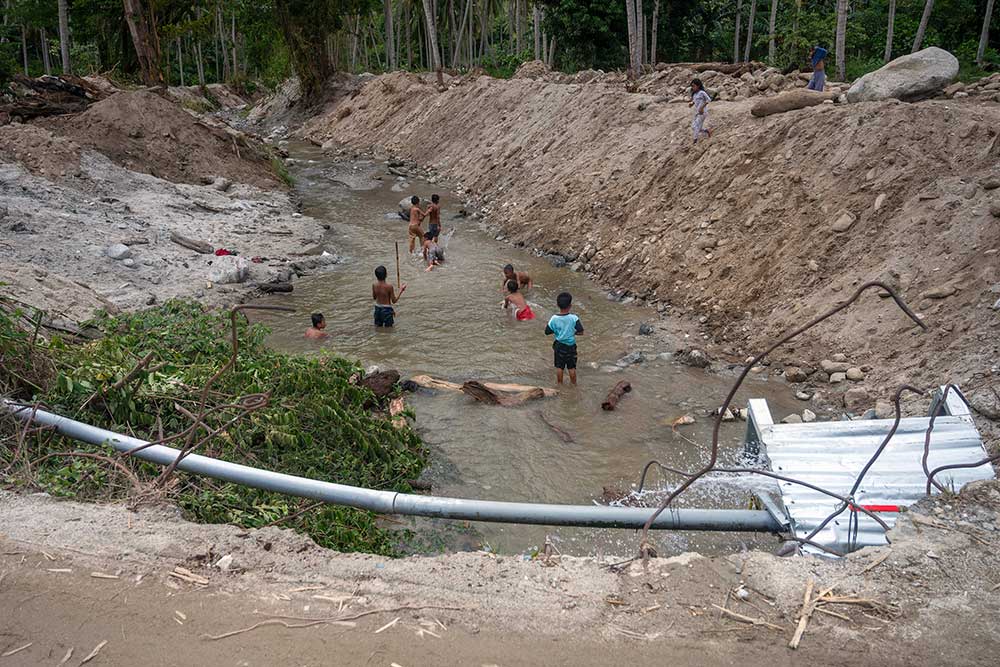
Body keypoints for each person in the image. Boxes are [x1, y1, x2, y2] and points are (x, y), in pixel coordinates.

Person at [544, 292, 584, 385]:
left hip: (559, 345)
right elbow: (581, 332)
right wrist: (573, 333)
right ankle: (574, 384)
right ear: (570, 305)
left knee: (559, 367)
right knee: (572, 367)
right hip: (571, 346)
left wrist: (557, 330)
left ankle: (560, 384)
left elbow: (547, 332)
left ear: (557, 305)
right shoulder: (574, 318)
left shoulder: (553, 319)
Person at [689, 78, 711, 143]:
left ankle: (695, 140)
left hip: (702, 112)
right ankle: (706, 131)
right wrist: (692, 103)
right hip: (697, 112)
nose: (692, 88)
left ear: (698, 86)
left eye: (693, 86)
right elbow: (695, 101)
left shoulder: (702, 92)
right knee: (693, 126)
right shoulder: (695, 94)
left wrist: (702, 107)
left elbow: (709, 100)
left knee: (696, 126)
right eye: (692, 86)